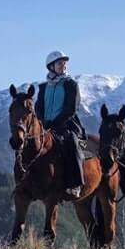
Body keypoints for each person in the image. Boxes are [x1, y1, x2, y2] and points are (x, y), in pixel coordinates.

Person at [34, 50, 85, 198]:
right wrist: (42, 122)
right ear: (51, 67)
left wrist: (55, 123)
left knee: (71, 142)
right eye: (59, 63)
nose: (63, 65)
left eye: (64, 63)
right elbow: (39, 107)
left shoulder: (70, 84)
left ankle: (76, 184)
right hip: (46, 126)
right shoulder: (43, 87)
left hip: (66, 125)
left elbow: (72, 108)